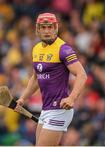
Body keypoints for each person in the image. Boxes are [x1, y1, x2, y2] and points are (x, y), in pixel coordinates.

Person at [15, 12, 87, 146]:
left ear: (56, 28)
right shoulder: (36, 49)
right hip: (46, 109)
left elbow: (82, 75)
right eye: (43, 27)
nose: (47, 31)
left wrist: (72, 98)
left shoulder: (63, 49)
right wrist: (23, 98)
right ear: (38, 29)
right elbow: (36, 77)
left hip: (59, 110)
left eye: (50, 27)